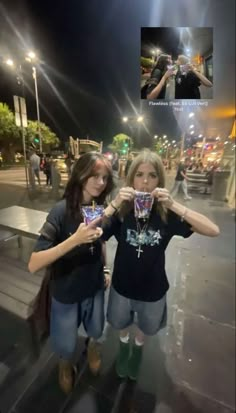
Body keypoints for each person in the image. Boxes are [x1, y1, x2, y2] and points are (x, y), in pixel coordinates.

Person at [101, 149, 219, 381]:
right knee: (121, 322)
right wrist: (114, 203)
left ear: (160, 180)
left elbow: (213, 230)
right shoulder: (122, 211)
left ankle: (137, 351)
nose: (145, 181)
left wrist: (174, 205)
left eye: (152, 175)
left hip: (153, 289)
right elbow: (90, 231)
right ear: (131, 178)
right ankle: (124, 348)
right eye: (139, 174)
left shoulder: (166, 214)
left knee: (146, 327)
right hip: (122, 285)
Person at [28, 152, 114, 394]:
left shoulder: (100, 208)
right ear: (80, 175)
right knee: (64, 341)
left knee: (97, 328)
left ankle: (93, 347)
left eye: (105, 177)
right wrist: (74, 240)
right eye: (95, 176)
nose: (100, 182)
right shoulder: (60, 211)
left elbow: (101, 242)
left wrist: (105, 268)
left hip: (95, 284)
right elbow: (34, 263)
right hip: (65, 289)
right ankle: (65, 366)